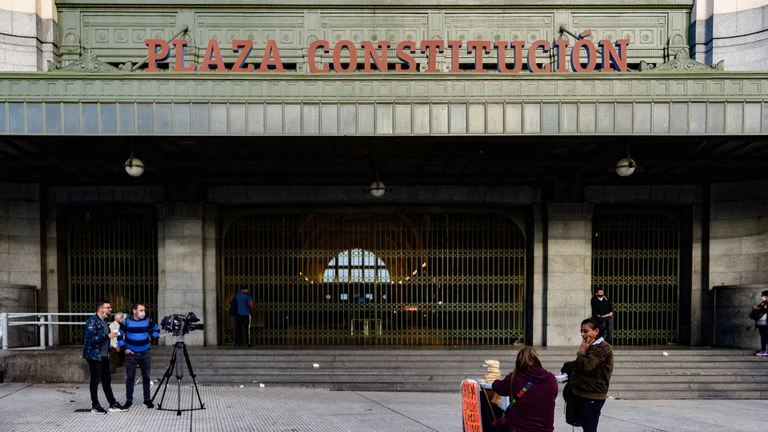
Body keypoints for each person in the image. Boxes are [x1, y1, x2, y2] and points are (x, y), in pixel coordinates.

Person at [490, 346, 558, 432]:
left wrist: (494, 381)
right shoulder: (550, 378)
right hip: (545, 428)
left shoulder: (515, 377)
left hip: (519, 427)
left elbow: (499, 388)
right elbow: (553, 396)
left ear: (518, 361)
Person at [568, 317, 614, 432]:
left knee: (590, 428)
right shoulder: (591, 346)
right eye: (581, 332)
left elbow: (586, 365)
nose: (583, 335)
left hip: (593, 395)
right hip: (582, 394)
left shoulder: (602, 348)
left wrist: (582, 351)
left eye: (586, 331)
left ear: (596, 331)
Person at [82, 300, 127, 414]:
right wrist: (108, 336)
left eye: (110, 307)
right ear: (100, 309)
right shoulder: (92, 321)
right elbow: (90, 340)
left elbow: (104, 341)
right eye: (108, 307)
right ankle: (95, 405)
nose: (110, 309)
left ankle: (112, 403)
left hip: (103, 355)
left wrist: (108, 350)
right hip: (94, 356)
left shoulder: (104, 322)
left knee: (106, 380)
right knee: (95, 380)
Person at [118, 303, 160, 409]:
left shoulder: (148, 320)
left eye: (144, 310)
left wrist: (152, 337)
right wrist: (124, 349)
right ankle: (128, 401)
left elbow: (157, 329)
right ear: (134, 311)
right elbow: (119, 336)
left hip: (145, 352)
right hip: (131, 354)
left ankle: (147, 400)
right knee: (130, 378)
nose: (143, 312)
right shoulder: (126, 322)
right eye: (141, 310)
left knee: (146, 377)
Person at [751, 290, 768, 356]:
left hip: (766, 323)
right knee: (763, 337)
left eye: (764, 296)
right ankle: (763, 350)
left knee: (766, 337)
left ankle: (764, 351)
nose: (763, 297)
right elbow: (760, 309)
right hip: (761, 323)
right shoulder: (763, 303)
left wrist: (762, 309)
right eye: (762, 296)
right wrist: (756, 309)